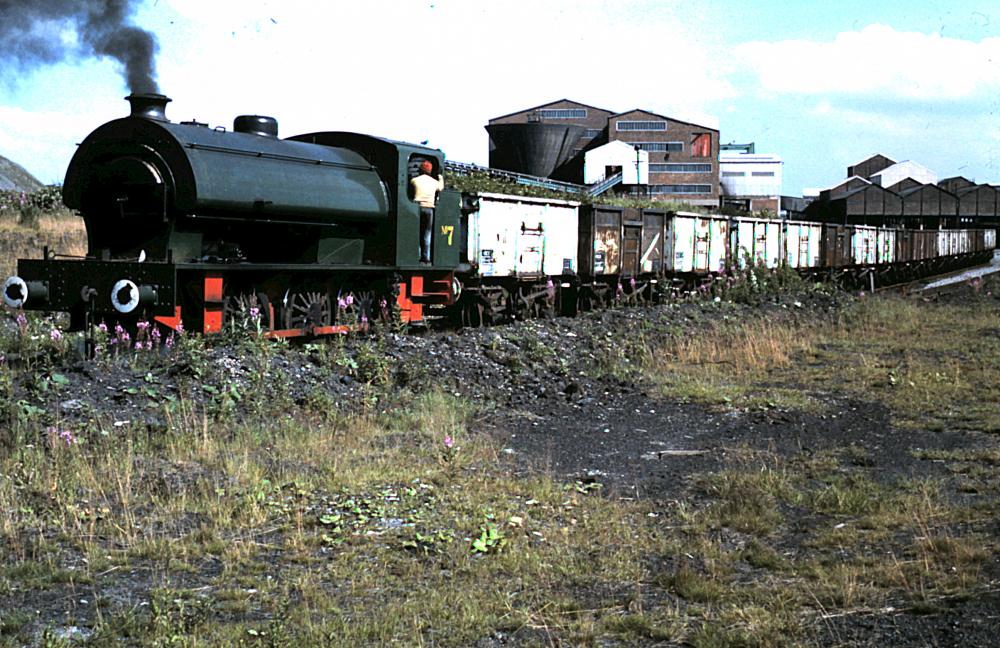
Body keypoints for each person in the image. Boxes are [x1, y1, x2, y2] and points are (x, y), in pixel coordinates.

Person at [409, 160, 444, 264]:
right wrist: (440, 176)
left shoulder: (415, 180)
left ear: (420, 170)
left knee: (416, 232)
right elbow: (441, 187)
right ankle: (426, 257)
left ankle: (416, 255)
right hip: (429, 209)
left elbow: (409, 187)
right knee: (426, 234)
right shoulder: (434, 182)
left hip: (417, 208)